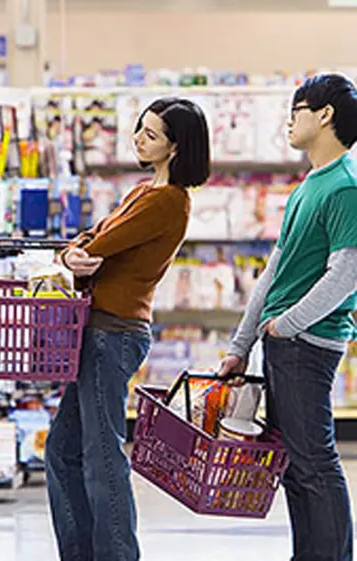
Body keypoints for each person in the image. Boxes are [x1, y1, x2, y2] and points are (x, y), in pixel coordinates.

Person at [45, 97, 211, 561]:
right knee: (63, 451)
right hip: (97, 330)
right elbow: (88, 240)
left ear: (176, 148)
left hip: (113, 334)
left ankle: (116, 554)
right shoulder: (142, 191)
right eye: (139, 128)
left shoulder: (169, 201)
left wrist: (81, 252)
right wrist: (77, 252)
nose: (138, 138)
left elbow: (100, 244)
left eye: (151, 134)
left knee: (102, 456)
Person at [218, 73, 357, 561]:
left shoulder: (345, 187)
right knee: (295, 467)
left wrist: (287, 324)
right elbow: (273, 272)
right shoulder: (307, 188)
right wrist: (242, 344)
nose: (289, 120)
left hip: (308, 343)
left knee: (314, 464)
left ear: (325, 115)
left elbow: (346, 275)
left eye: (297, 110)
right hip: (283, 343)